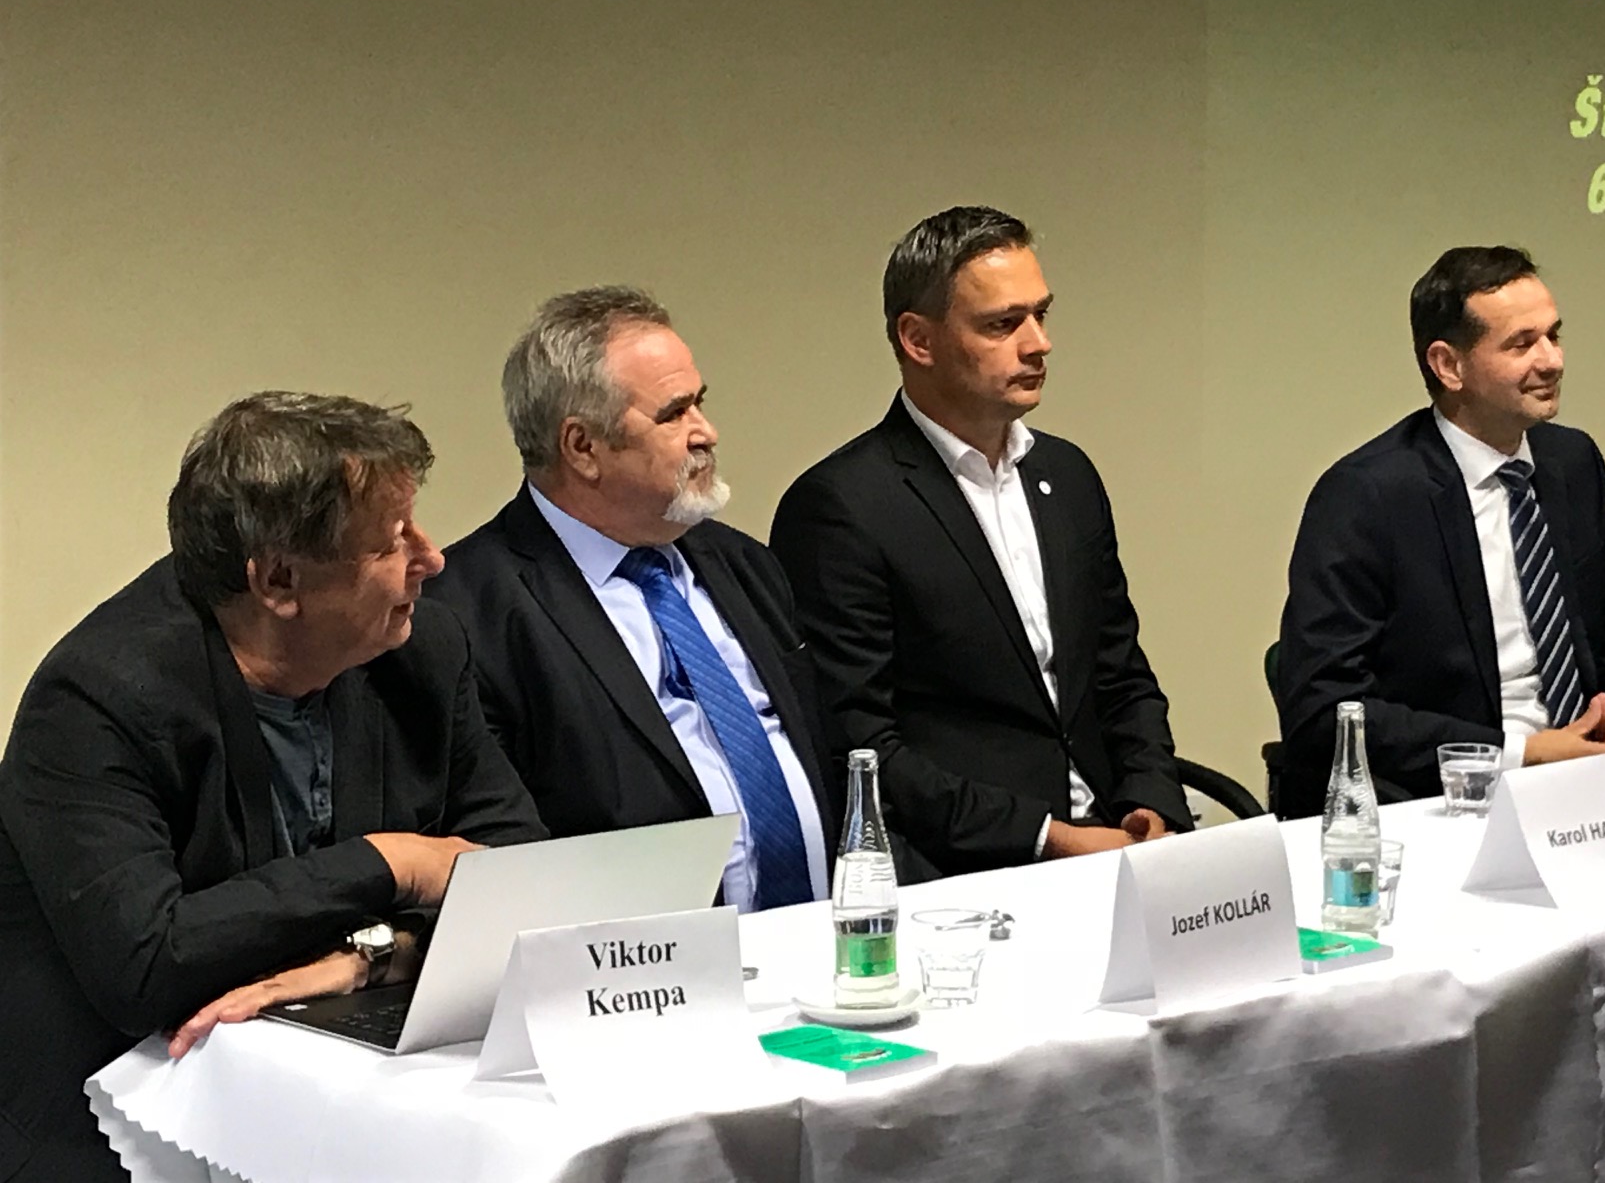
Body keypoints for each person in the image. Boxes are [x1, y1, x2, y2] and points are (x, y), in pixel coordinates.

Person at [0, 393, 544, 1183]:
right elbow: (148, 965)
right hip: (117, 1120)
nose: (431, 559)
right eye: (392, 540)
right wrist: (388, 864)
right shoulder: (99, 698)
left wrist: (372, 956)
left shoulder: (418, 651)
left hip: (339, 1081)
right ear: (280, 581)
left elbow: (523, 875)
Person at [770, 206, 1188, 880]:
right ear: (918, 340)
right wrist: (1048, 838)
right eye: (1003, 324)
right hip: (968, 867)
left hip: (1114, 840)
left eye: (1041, 315)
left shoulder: (1067, 476)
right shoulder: (843, 507)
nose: (1038, 344)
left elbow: (1119, 673)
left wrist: (1152, 802)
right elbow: (863, 747)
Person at [430, 287, 836, 913]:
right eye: (673, 414)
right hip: (640, 956)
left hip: (823, 936)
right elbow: (504, 848)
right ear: (582, 447)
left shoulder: (742, 563)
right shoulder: (467, 613)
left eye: (700, 403)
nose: (706, 432)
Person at [1273, 246, 1605, 812]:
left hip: (1593, 782)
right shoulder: (1365, 496)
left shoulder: (1572, 463)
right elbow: (1326, 709)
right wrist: (1523, 754)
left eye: (1554, 336)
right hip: (1455, 795)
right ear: (1448, 366)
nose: (1552, 361)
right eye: (1522, 344)